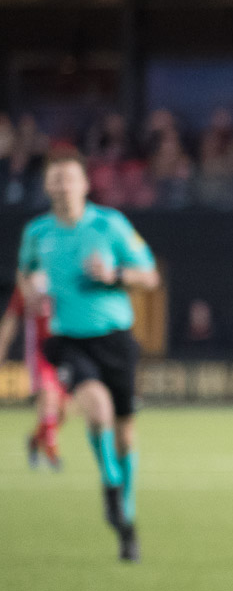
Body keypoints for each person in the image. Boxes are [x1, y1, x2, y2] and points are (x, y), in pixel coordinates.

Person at [17, 149, 159, 561]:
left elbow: (149, 276)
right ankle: (111, 485)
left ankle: (126, 518)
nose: (63, 186)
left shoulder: (110, 225)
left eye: (70, 178)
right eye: (56, 179)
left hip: (114, 338)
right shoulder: (38, 232)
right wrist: (31, 295)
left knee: (125, 432)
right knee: (96, 411)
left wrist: (113, 275)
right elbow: (26, 272)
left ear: (85, 183)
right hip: (68, 339)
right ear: (47, 186)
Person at [0, 279, 67, 469]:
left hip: (64, 351)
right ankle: (52, 450)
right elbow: (11, 320)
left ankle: (34, 440)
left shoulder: (62, 278)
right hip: (39, 352)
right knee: (48, 395)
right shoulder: (28, 285)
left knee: (63, 411)